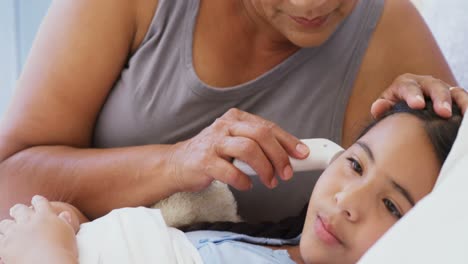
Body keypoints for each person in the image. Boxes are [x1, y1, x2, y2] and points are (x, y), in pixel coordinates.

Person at [0, 0, 466, 222]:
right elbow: (8, 179)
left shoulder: (387, 31)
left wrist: (446, 121)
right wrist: (176, 162)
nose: (315, 4)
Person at [0, 99, 463, 263]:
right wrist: (84, 232)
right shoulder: (260, 242)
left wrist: (47, 255)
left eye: (392, 206)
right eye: (357, 165)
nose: (348, 199)